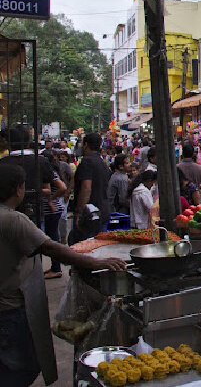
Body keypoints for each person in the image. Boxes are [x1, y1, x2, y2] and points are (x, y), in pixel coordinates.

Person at [0, 164, 126, 387]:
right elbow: (53, 249)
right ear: (18, 189)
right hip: (10, 309)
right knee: (21, 368)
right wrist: (98, 262)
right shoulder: (12, 220)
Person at [0, 127, 54, 225]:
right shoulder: (41, 161)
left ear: (8, 143)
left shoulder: (3, 163)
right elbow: (48, 190)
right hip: (34, 211)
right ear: (28, 143)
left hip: (8, 214)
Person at [72, 133, 111, 244]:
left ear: (86, 145)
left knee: (85, 249)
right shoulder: (102, 163)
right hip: (102, 211)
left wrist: (80, 212)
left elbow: (86, 187)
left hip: (90, 215)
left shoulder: (87, 162)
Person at [41, 151, 68, 279]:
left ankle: (56, 268)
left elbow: (62, 188)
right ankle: (54, 267)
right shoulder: (53, 172)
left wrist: (51, 199)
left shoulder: (49, 174)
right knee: (52, 237)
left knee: (52, 239)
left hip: (51, 210)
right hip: (53, 210)